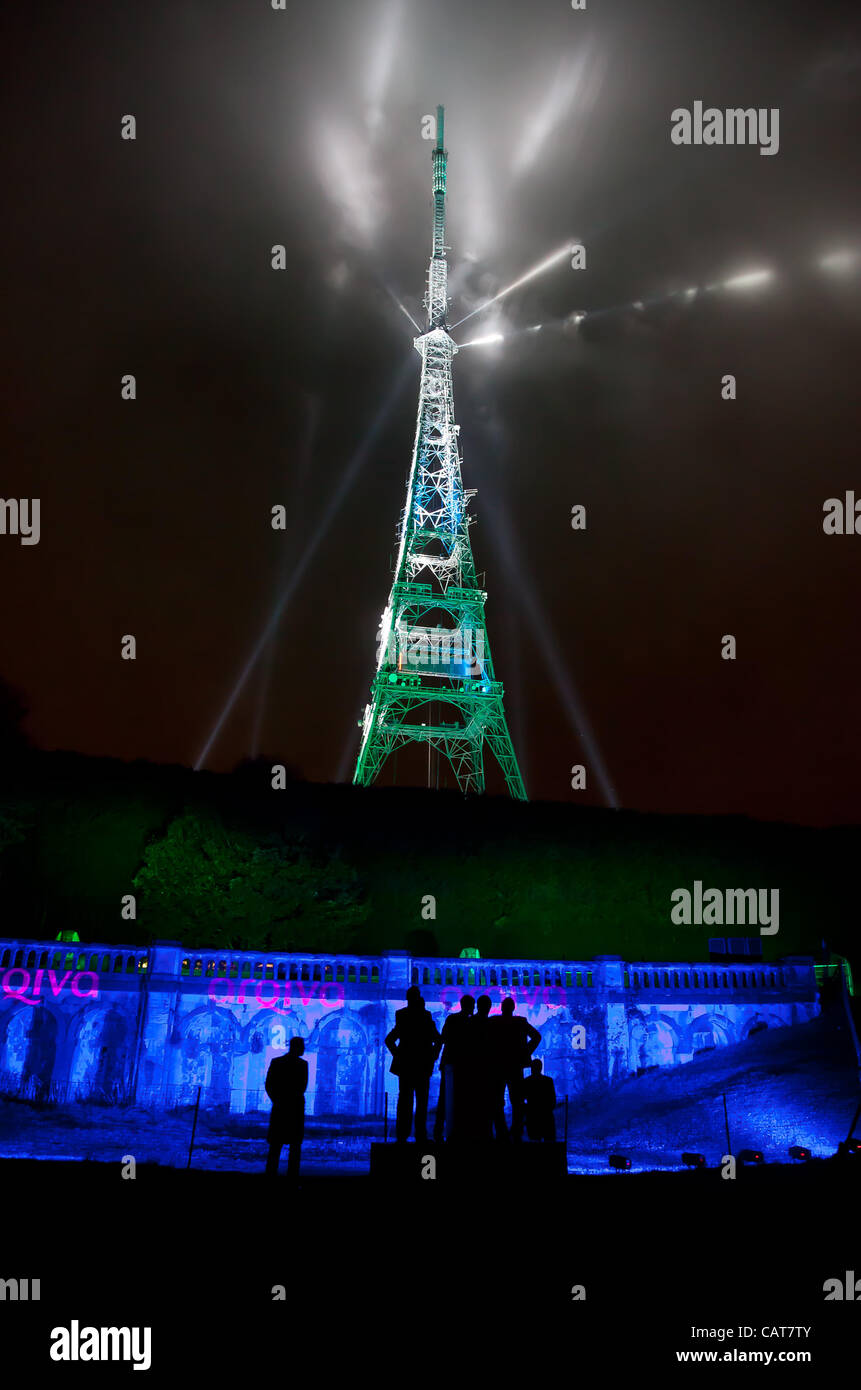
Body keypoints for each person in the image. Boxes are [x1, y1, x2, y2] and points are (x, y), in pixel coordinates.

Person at [385, 985, 441, 1143]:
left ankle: (402, 1135)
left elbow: (389, 1040)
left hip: (406, 1066)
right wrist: (433, 1056)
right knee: (421, 1102)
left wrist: (399, 1055)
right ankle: (420, 1135)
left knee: (404, 1102)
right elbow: (438, 1039)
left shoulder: (402, 1015)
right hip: (422, 1065)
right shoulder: (425, 1016)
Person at [491, 997, 541, 1141]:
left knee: (497, 1100)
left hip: (498, 1066)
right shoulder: (520, 1022)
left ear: (501, 1007)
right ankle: (516, 1131)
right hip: (515, 1066)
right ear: (513, 1008)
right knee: (517, 1101)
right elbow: (537, 1037)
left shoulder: (494, 1022)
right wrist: (525, 1053)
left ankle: (502, 1132)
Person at [264, 1036, 308, 1178]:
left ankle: (271, 1176)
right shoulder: (303, 1065)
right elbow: (302, 1087)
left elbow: (269, 1085)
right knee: (294, 1147)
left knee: (275, 1146)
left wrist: (277, 1100)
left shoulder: (277, 1062)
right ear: (297, 1047)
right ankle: (292, 1178)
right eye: (302, 1046)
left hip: (280, 1108)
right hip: (294, 1110)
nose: (304, 1049)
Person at [433, 994, 475, 1142]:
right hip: (465, 1066)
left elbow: (442, 1039)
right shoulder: (471, 1022)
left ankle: (438, 1132)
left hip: (449, 1063)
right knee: (463, 1099)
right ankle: (460, 1131)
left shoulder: (452, 1019)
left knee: (444, 1098)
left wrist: (435, 1056)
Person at [521, 1059, 557, 1142]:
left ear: (531, 1068)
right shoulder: (548, 1081)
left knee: (535, 1140)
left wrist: (527, 1110)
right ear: (541, 1067)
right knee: (549, 1139)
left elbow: (522, 1099)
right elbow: (553, 1099)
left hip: (532, 1115)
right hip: (546, 1115)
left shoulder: (526, 1081)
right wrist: (548, 1109)